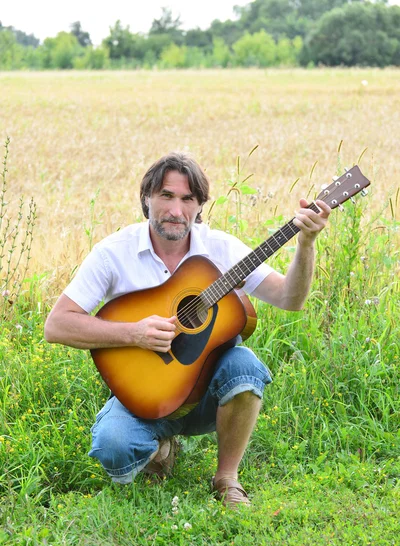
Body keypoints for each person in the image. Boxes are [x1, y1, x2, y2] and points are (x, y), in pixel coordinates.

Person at [44, 152, 331, 508]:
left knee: (246, 366)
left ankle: (227, 477)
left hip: (207, 391)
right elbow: (56, 325)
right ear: (146, 198)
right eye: (166, 195)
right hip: (146, 393)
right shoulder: (113, 253)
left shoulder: (221, 249)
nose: (175, 210)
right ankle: (160, 447)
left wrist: (306, 243)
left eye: (187, 199)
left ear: (199, 207)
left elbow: (290, 298)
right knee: (112, 449)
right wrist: (133, 334)